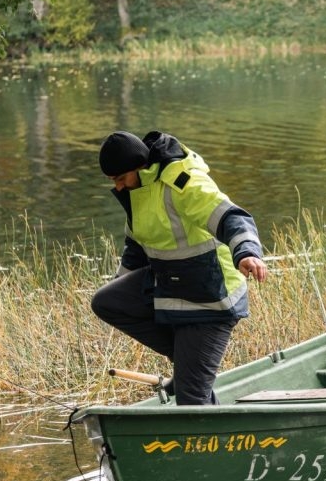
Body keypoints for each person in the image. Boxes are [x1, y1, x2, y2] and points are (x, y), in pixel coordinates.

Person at [91, 130, 268, 405]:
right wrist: (120, 283)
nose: (118, 187)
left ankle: (192, 373)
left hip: (213, 298)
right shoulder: (138, 192)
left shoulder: (181, 183)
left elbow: (232, 216)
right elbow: (136, 249)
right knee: (107, 301)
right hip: (173, 288)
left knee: (191, 400)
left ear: (138, 167)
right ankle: (188, 362)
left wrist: (246, 253)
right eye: (113, 181)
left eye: (120, 178)